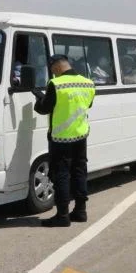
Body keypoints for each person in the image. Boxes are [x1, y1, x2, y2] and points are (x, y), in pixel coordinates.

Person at [33, 54, 96, 227]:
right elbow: (87, 105)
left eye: (52, 70)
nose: (53, 73)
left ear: (57, 66)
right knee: (79, 172)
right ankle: (81, 211)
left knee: (61, 175)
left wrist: (39, 98)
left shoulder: (56, 84)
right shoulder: (88, 83)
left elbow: (44, 109)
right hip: (81, 135)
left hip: (60, 138)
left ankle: (62, 215)